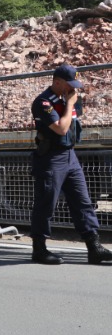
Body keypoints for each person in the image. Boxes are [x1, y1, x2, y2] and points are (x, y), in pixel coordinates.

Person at [30, 64, 112, 264]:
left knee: (82, 201)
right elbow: (61, 129)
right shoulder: (43, 102)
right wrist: (70, 103)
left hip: (70, 156)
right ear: (57, 82)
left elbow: (75, 124)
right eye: (69, 84)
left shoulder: (67, 98)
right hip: (51, 158)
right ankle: (39, 249)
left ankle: (94, 247)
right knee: (46, 204)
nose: (73, 89)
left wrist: (71, 103)